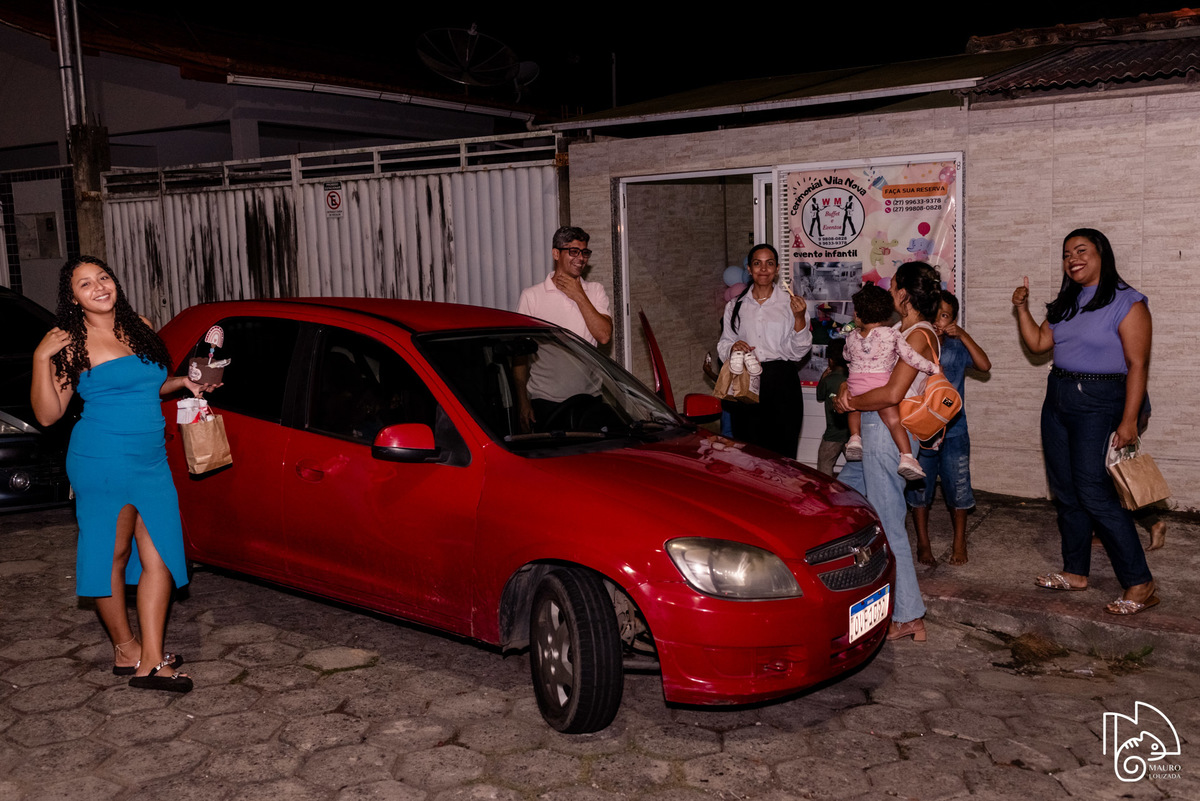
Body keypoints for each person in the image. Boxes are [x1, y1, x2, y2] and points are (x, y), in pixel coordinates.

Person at [31, 256, 215, 692]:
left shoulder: (141, 326)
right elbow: (47, 414)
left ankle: (151, 659)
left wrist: (183, 383)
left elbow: (147, 385)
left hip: (151, 459)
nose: (98, 287)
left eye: (103, 278)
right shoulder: (70, 343)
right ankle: (127, 649)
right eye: (84, 284)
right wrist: (40, 358)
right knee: (110, 555)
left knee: (161, 554)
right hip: (101, 459)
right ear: (73, 298)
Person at [1012, 228, 1157, 615]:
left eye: (1081, 251)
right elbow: (1039, 344)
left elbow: (1138, 365)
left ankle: (1140, 582)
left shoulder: (1128, 302)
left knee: (1094, 492)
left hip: (1100, 401)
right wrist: (1022, 309)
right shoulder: (1067, 302)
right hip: (1057, 397)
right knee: (1066, 491)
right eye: (1066, 254)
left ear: (1101, 254)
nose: (1072, 259)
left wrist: (1129, 420)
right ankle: (1075, 572)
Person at [833, 261, 943, 643]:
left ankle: (909, 615)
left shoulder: (919, 335)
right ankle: (855, 588)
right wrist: (846, 389)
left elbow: (892, 393)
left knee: (889, 521)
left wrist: (850, 402)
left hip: (887, 434)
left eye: (893, 285)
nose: (888, 290)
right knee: (841, 499)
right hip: (873, 430)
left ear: (904, 294)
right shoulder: (897, 331)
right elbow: (865, 370)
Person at [907, 291, 991, 566]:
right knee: (920, 488)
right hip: (923, 429)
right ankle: (923, 543)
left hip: (955, 429)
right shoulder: (919, 342)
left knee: (958, 486)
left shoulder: (956, 345)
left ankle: (959, 541)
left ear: (953, 319)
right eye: (935, 314)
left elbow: (984, 365)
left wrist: (963, 334)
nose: (939, 321)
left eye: (945, 316)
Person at [716, 243, 811, 458]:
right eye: (757, 264)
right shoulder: (735, 305)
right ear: (749, 269)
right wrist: (733, 347)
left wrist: (799, 318)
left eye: (769, 263)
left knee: (783, 450)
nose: (764, 269)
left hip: (782, 380)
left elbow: (798, 352)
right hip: (746, 380)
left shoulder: (791, 304)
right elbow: (723, 344)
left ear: (777, 269)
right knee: (748, 449)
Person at [514, 226, 612, 432]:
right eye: (573, 251)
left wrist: (578, 294)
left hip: (589, 400)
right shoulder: (532, 296)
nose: (581, 258)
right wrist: (523, 402)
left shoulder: (595, 291)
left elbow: (604, 335)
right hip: (545, 402)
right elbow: (519, 356)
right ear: (556, 254)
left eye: (584, 252)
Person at [842, 284, 939, 480]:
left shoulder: (851, 337)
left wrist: (849, 397)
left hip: (856, 383)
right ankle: (907, 457)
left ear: (857, 314)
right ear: (886, 314)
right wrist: (932, 368)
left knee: (854, 410)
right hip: (880, 385)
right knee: (894, 421)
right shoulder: (892, 334)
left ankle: (854, 438)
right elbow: (910, 357)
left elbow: (846, 356)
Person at [815, 339, 849, 476]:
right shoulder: (853, 378)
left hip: (832, 433)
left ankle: (825, 489)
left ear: (831, 360)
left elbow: (820, 396)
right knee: (858, 467)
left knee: (824, 466)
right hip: (852, 434)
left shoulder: (828, 380)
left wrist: (823, 377)